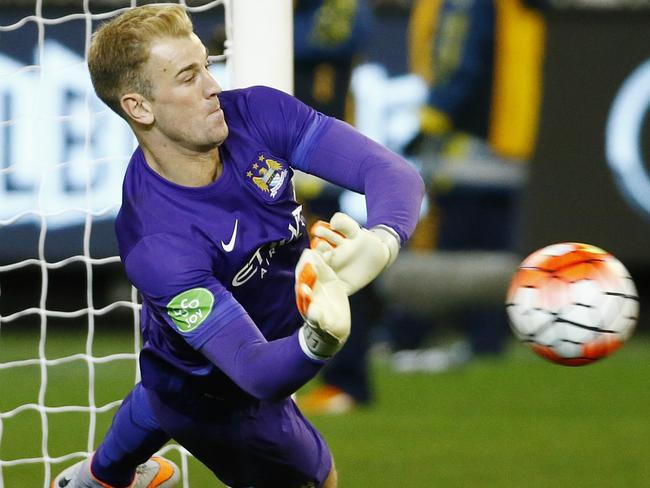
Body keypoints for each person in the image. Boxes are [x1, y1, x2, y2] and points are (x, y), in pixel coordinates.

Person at [53, 4, 423, 488]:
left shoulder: (255, 114)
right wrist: (320, 339)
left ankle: (97, 479)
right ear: (138, 107)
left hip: (188, 358)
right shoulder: (158, 243)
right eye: (188, 78)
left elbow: (393, 174)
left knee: (160, 390)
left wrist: (382, 240)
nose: (212, 86)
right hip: (221, 395)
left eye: (206, 64)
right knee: (316, 476)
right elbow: (256, 374)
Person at [388, 0, 545, 371]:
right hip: (508, 139)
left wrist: (434, 116)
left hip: (464, 146)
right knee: (493, 251)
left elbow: (458, 59)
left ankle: (416, 336)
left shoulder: (465, 4)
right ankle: (485, 341)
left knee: (450, 250)